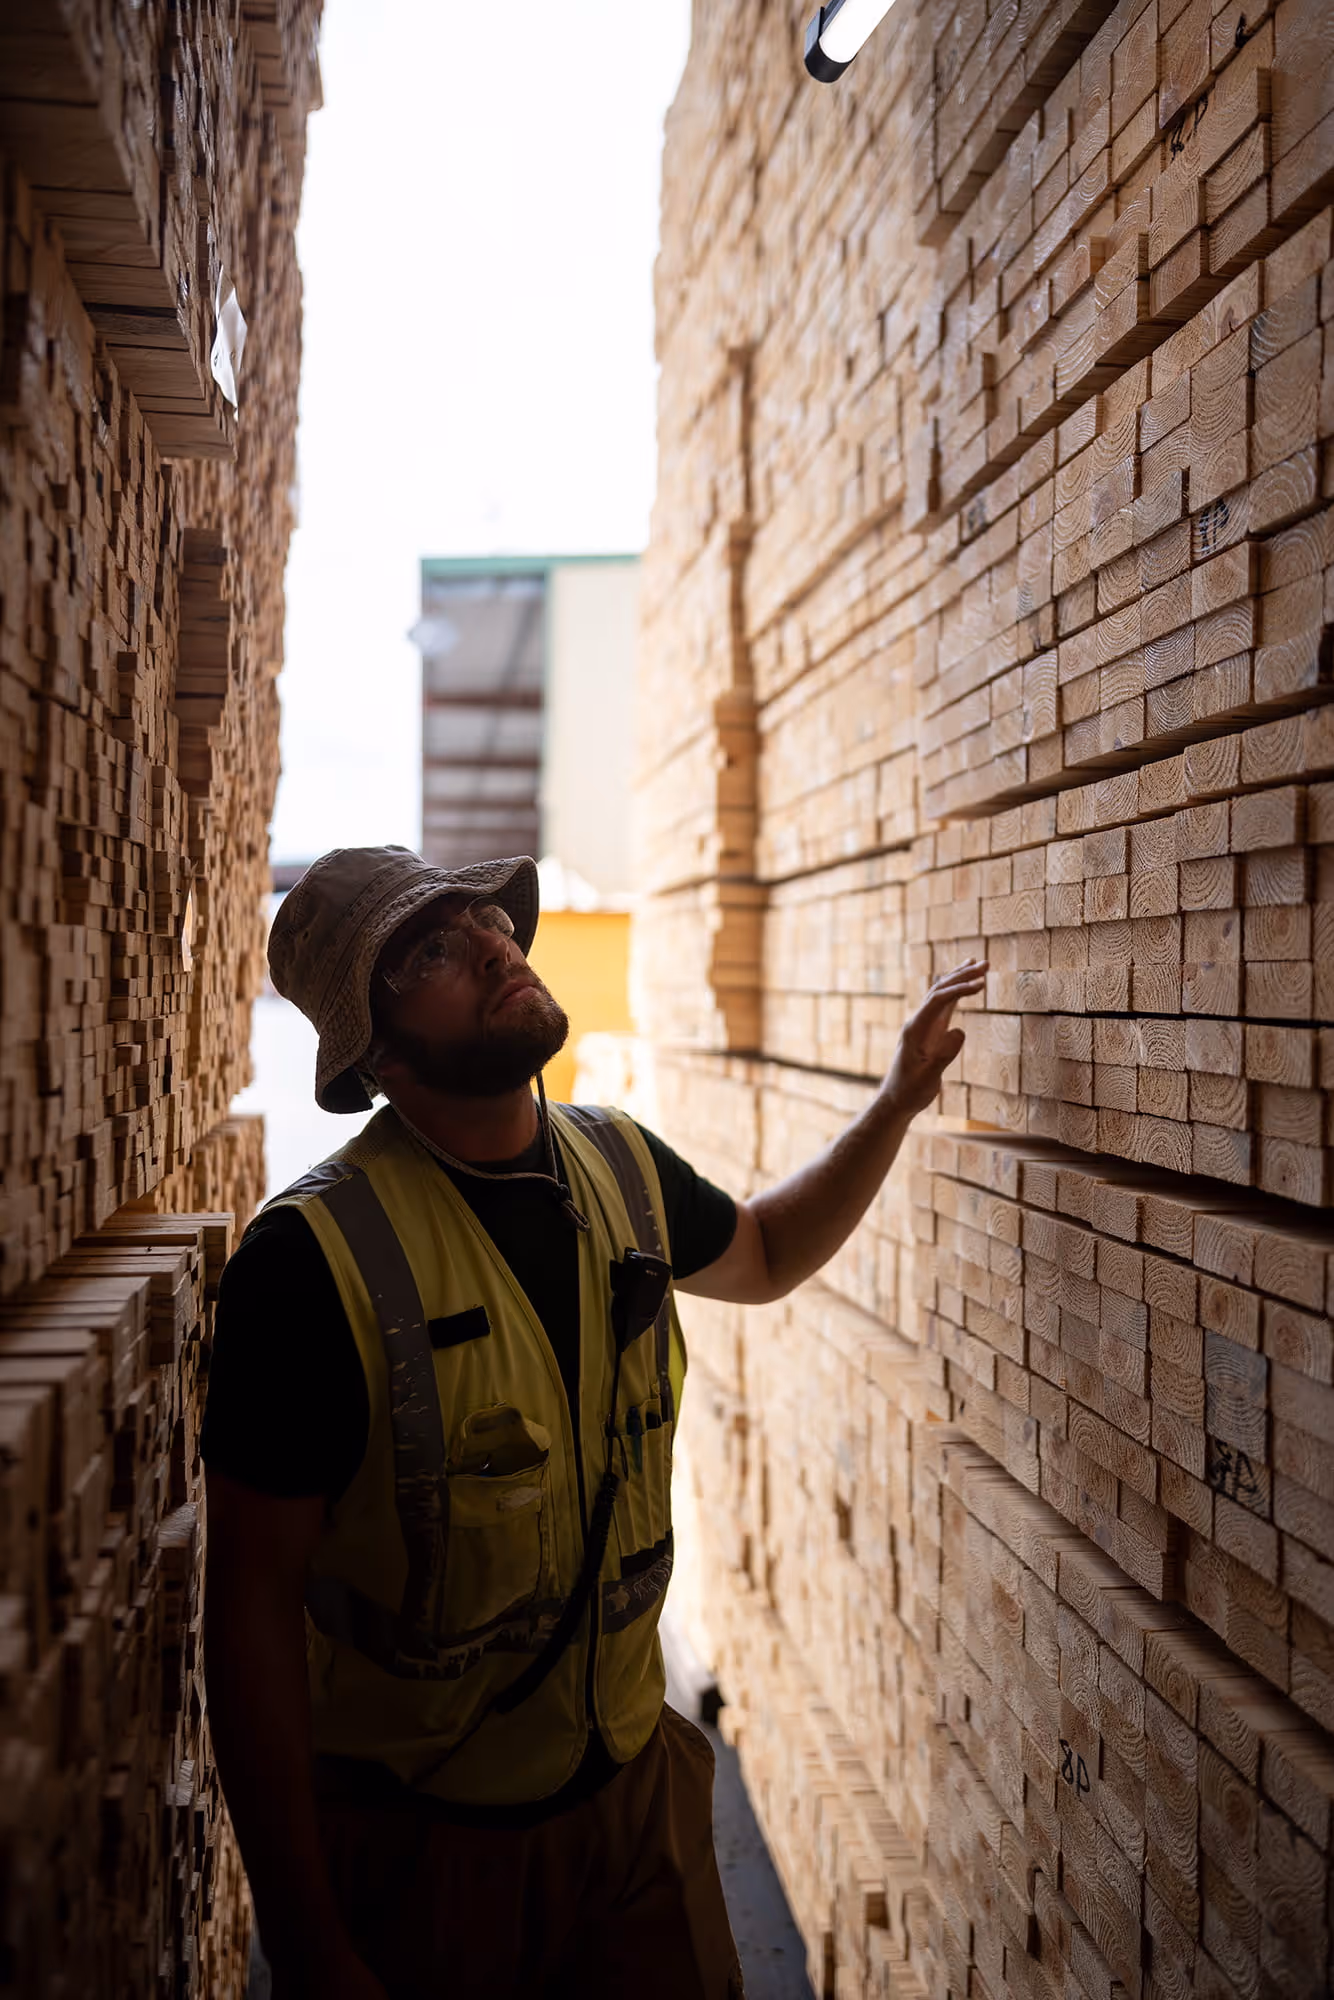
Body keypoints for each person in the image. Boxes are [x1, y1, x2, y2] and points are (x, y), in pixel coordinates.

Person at [201, 844, 987, 2000]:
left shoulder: (615, 1161)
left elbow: (762, 1251)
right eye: (430, 947)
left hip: (637, 1811)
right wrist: (308, 1938)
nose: (487, 941)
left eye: (481, 917)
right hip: (426, 1853)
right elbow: (250, 1610)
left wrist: (895, 1102)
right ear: (373, 1053)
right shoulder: (309, 1265)